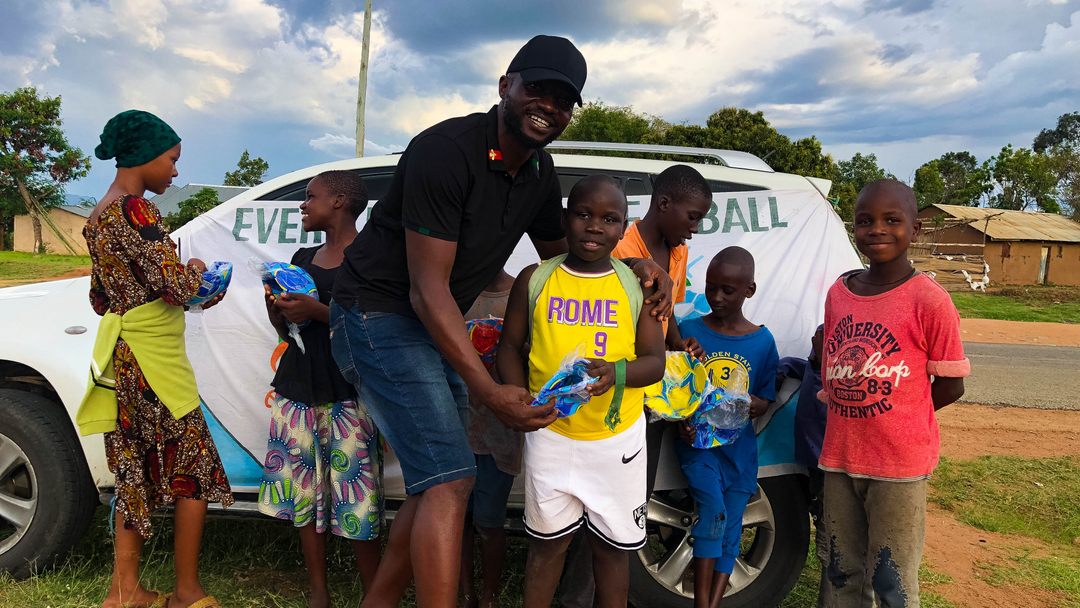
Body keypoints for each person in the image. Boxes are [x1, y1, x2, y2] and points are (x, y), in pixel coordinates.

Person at [329, 35, 672, 608]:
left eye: (563, 100)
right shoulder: (445, 151)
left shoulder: (539, 171)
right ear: (504, 86)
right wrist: (489, 392)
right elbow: (426, 289)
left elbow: (573, 260)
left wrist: (639, 267)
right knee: (450, 479)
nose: (549, 106)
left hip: (426, 322)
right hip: (376, 314)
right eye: (537, 88)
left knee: (435, 479)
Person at [78, 110, 233, 608]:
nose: (175, 170)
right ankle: (186, 592)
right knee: (194, 468)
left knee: (134, 469)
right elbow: (176, 286)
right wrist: (196, 270)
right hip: (154, 360)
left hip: (124, 357)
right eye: (171, 158)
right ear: (145, 155)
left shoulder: (98, 215)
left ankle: (125, 591)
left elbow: (100, 297)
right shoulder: (136, 211)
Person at [497, 175, 666, 608]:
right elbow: (510, 348)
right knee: (546, 547)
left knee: (611, 551)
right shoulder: (535, 279)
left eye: (609, 219)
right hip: (550, 436)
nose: (594, 226)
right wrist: (518, 395)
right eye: (583, 214)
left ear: (623, 228)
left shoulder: (636, 287)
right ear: (564, 218)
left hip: (616, 441)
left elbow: (655, 362)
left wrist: (617, 372)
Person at [556, 163, 713, 606]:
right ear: (663, 204)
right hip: (613, 390)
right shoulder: (621, 246)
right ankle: (576, 598)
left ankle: (604, 593)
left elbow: (664, 310)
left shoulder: (676, 252)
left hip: (651, 391)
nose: (695, 228)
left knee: (630, 499)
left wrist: (678, 342)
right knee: (595, 499)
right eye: (692, 217)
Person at [819, 179, 968, 608]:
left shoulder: (929, 300)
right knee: (840, 570)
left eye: (892, 220)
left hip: (898, 467)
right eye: (865, 221)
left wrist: (902, 412)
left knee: (892, 579)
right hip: (840, 458)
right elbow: (833, 366)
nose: (877, 229)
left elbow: (952, 383)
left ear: (915, 229)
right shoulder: (839, 294)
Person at [257, 171, 383, 608]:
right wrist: (279, 310)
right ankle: (318, 592)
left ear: (340, 201)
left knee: (358, 499)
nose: (303, 204)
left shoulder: (370, 258)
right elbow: (288, 332)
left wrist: (316, 309)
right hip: (297, 391)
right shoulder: (302, 258)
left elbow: (371, 328)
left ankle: (374, 594)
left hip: (350, 395)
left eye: (312, 197)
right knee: (304, 498)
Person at [675, 246, 779, 608]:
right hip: (698, 449)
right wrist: (683, 424)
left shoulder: (762, 342)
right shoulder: (689, 332)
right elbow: (674, 391)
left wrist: (752, 404)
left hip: (739, 454)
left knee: (732, 527)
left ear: (749, 290)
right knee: (713, 513)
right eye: (710, 287)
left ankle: (712, 603)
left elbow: (765, 399)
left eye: (728, 290)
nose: (716, 297)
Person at [458, 269, 520, 608]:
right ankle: (466, 592)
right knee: (459, 518)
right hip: (459, 425)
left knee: (488, 520)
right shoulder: (456, 293)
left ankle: (489, 595)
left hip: (502, 432)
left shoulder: (520, 295)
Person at [786, 324, 828, 606]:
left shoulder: (833, 381)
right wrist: (780, 371)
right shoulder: (810, 369)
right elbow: (795, 365)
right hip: (812, 464)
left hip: (830, 467)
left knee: (831, 535)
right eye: (818, 340)